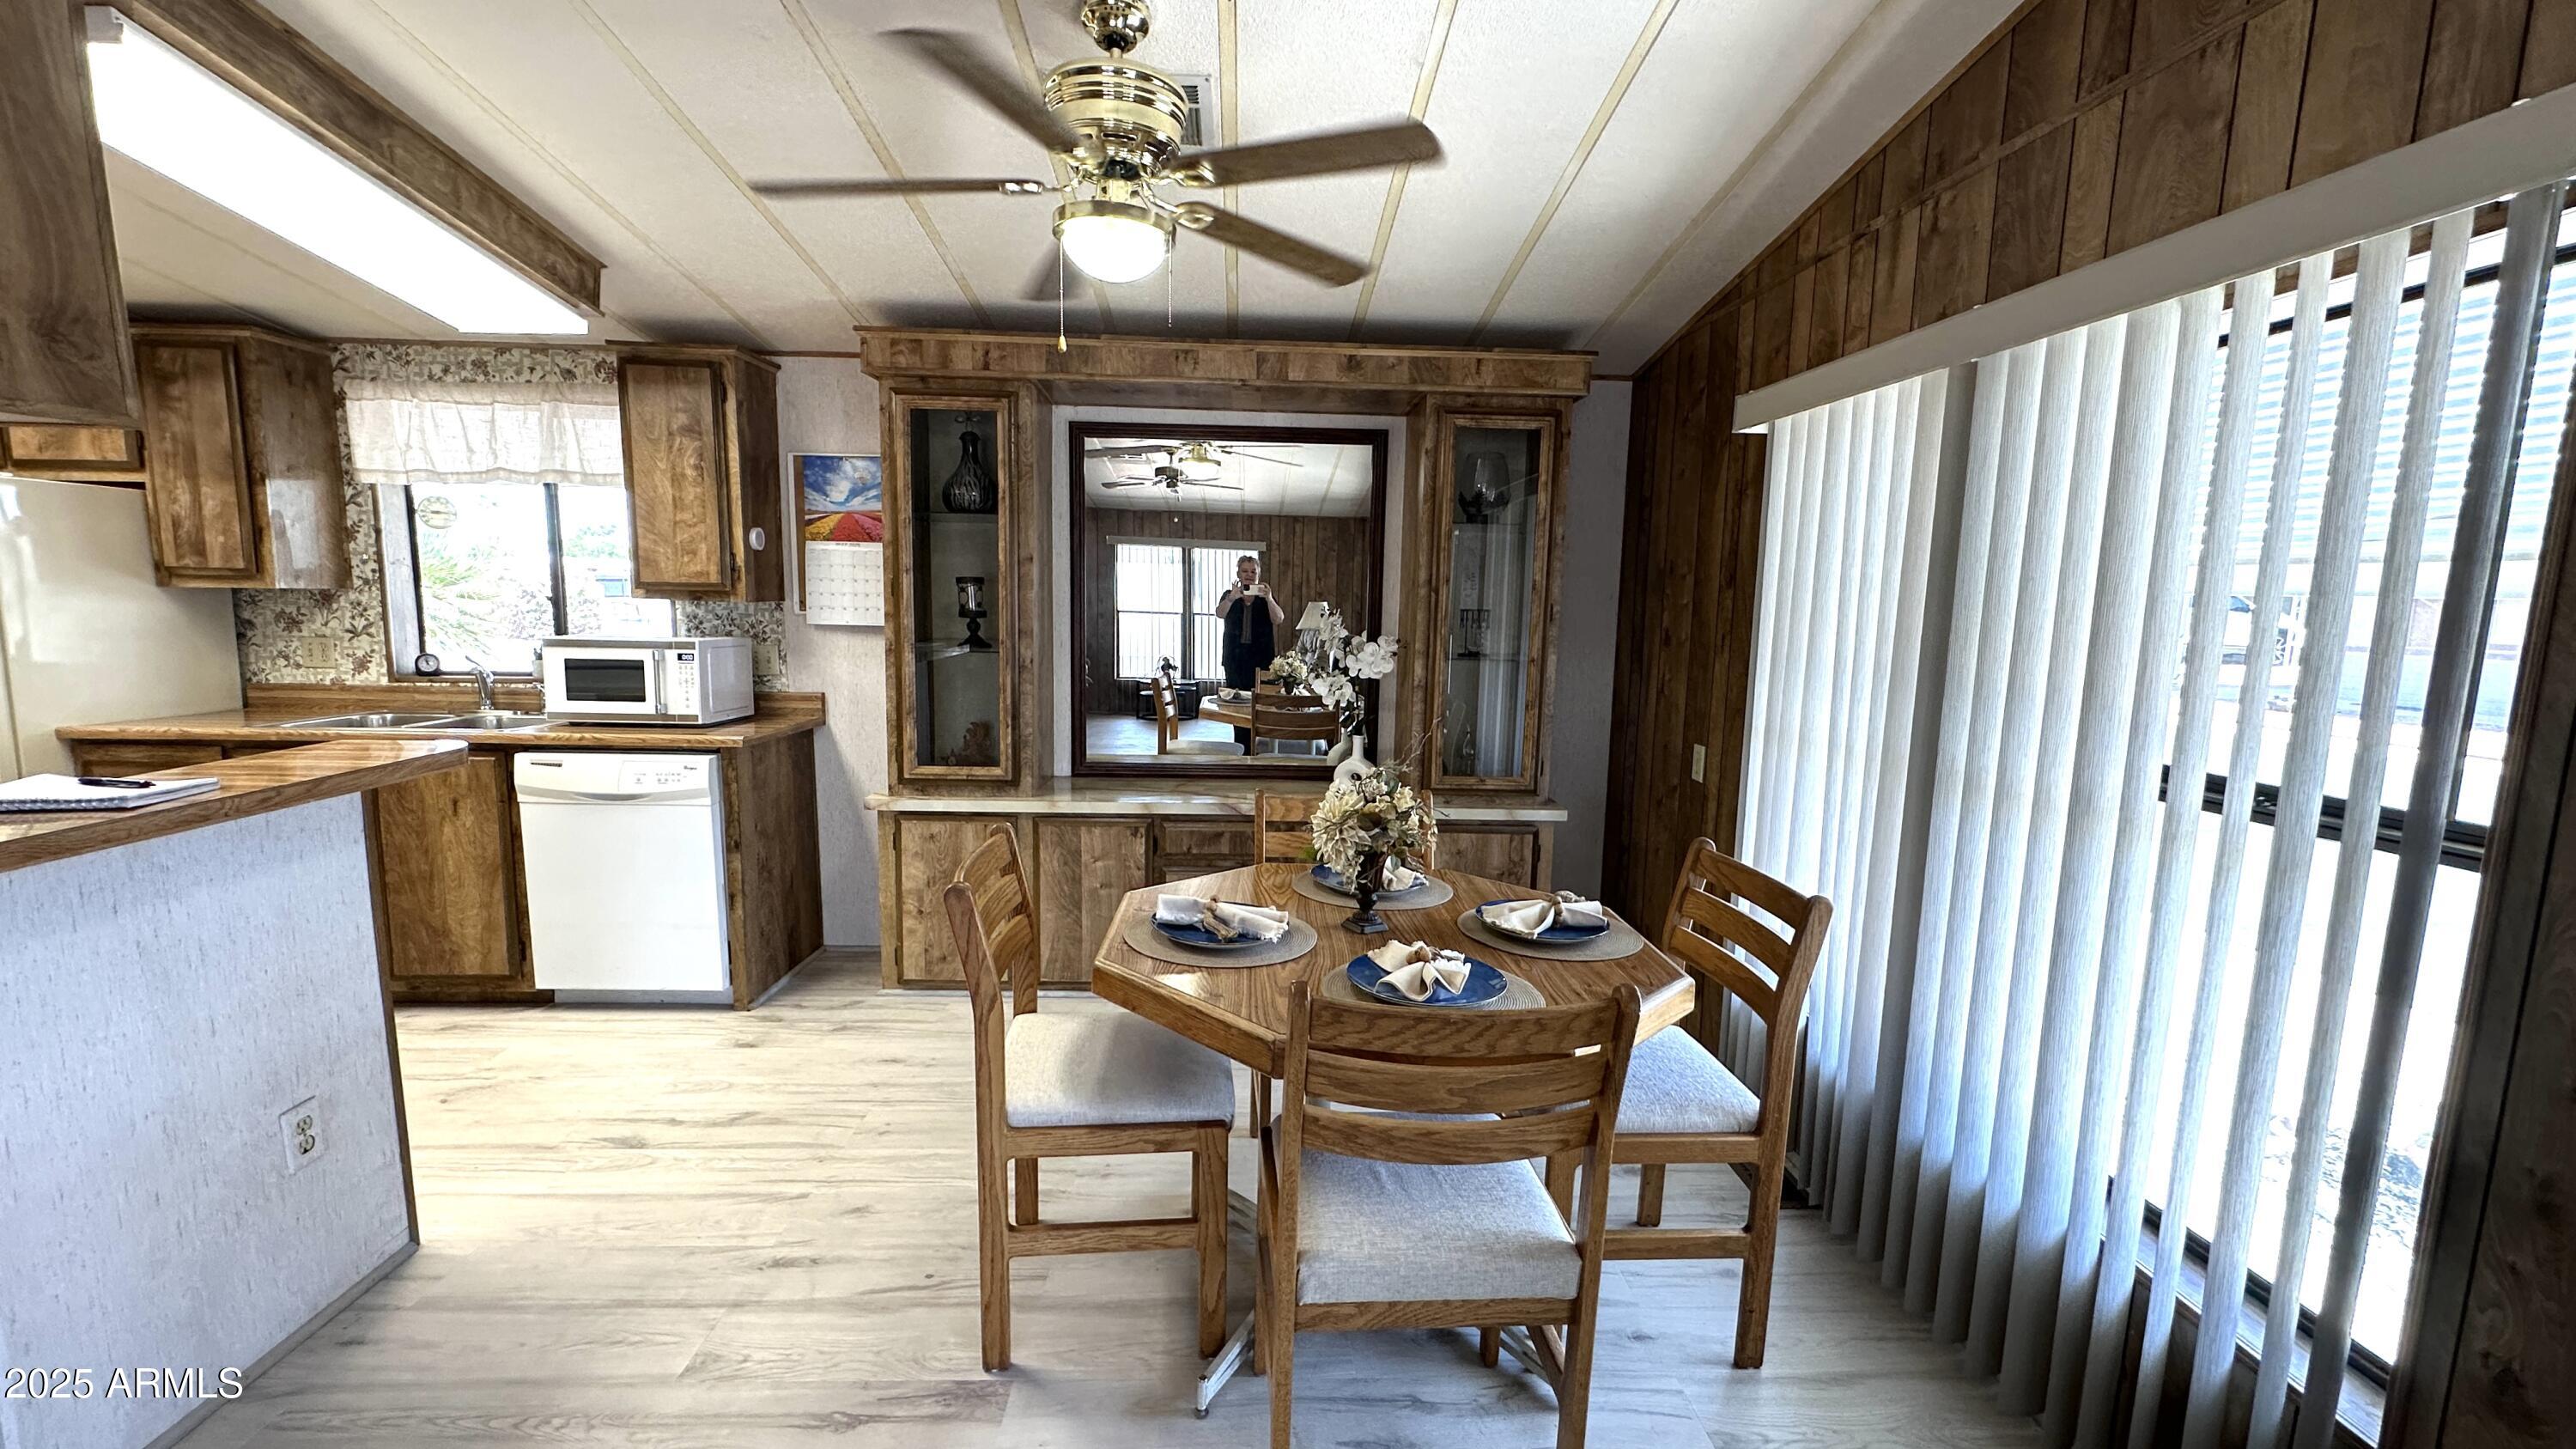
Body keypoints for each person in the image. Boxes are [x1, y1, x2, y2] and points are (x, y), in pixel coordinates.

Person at [1214, 554, 1286, 753]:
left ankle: (1256, 746)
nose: (1249, 575)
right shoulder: (1229, 594)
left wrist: (1269, 597)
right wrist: (1232, 597)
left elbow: (1279, 618)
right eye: (1245, 571)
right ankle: (1243, 749)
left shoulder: (1265, 598)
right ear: (1238, 573)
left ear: (1258, 575)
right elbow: (1219, 613)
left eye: (1253, 571)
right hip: (1234, 660)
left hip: (1261, 661)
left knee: (1260, 706)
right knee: (1237, 705)